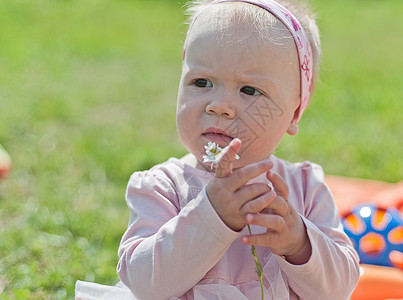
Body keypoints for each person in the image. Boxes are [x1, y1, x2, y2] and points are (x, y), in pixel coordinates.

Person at [76, 0, 360, 299]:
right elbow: (145, 284)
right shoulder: (163, 187)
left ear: (293, 112)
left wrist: (300, 244)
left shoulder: (304, 189)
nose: (219, 106)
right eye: (201, 82)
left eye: (249, 90)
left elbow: (340, 289)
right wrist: (211, 216)